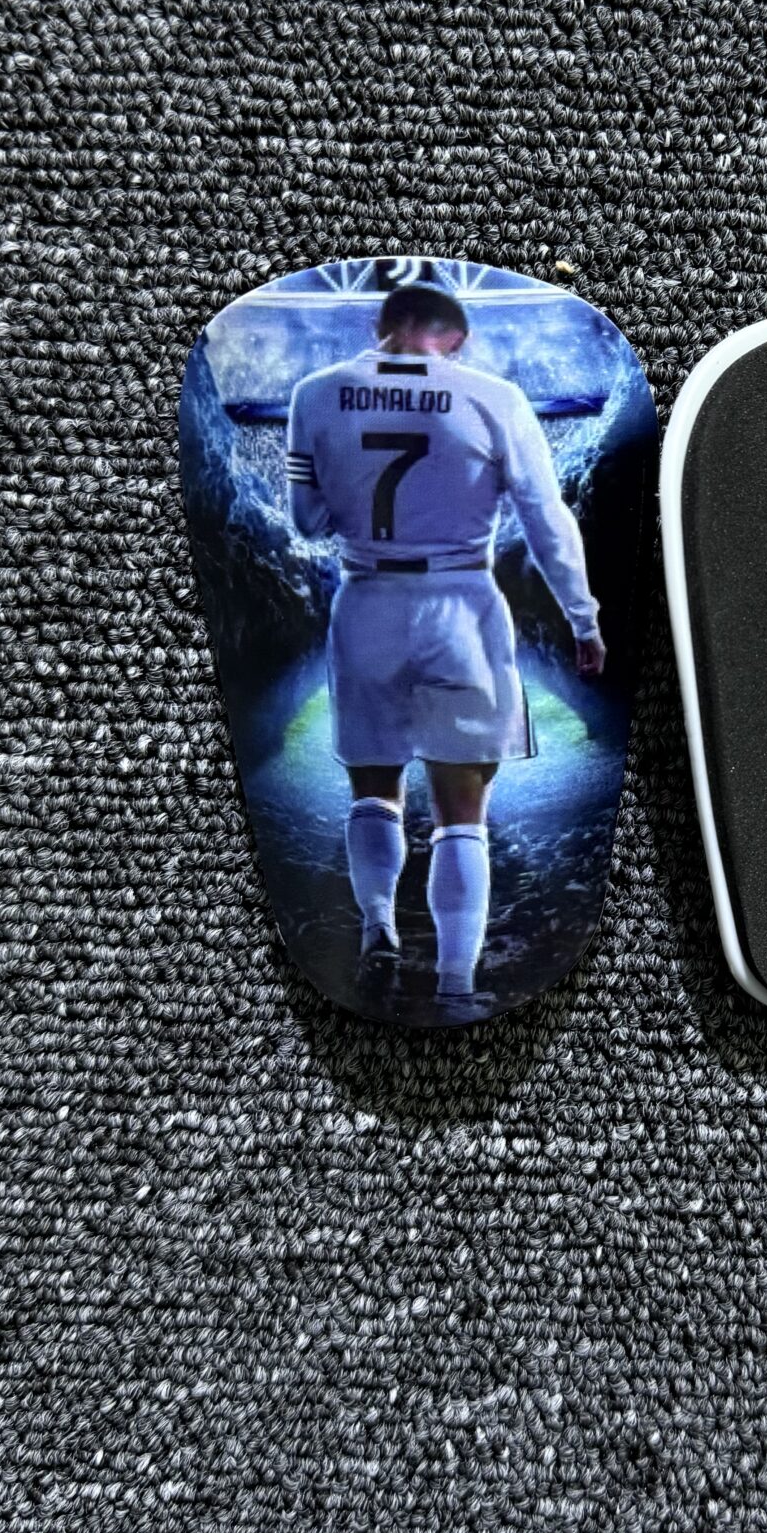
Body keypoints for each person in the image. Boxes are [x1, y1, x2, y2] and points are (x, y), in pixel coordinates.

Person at [284, 283, 604, 1012]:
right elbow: (547, 519)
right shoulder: (494, 397)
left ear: (382, 325)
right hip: (461, 604)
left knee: (374, 791)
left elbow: (307, 521)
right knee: (463, 813)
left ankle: (377, 931)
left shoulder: (315, 393)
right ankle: (457, 985)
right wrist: (583, 621)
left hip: (367, 601)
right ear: (457, 339)